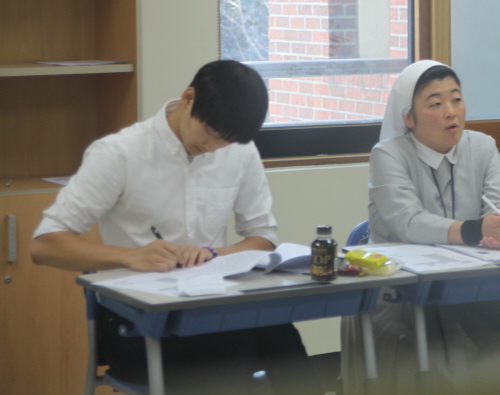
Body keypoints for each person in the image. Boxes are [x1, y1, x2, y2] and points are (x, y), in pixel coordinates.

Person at [30, 60, 323, 395]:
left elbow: (263, 238)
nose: (213, 147)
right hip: (136, 322)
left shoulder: (239, 151)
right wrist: (130, 256)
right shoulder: (119, 154)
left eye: (225, 141)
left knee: (278, 332)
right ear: (188, 98)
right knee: (237, 348)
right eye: (209, 132)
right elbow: (44, 245)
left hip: (210, 307)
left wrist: (214, 254)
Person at [340, 60, 500, 394]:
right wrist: (475, 230)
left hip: (471, 287)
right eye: (435, 104)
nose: (451, 112)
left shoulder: (482, 146)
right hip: (401, 294)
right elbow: (407, 222)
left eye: (456, 99)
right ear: (408, 117)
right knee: (427, 367)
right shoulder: (388, 154)